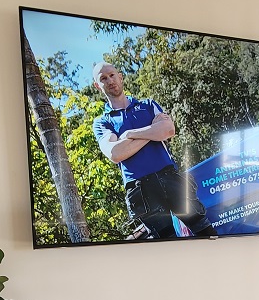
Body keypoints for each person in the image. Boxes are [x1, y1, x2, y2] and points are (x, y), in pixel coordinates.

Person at [92, 62, 216, 240]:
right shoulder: (102, 122)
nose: (110, 80)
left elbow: (168, 130)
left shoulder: (148, 105)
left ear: (120, 76)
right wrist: (152, 131)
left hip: (170, 177)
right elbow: (115, 154)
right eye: (103, 78)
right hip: (140, 189)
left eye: (112, 75)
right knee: (166, 246)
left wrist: (129, 134)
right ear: (98, 85)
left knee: (206, 233)